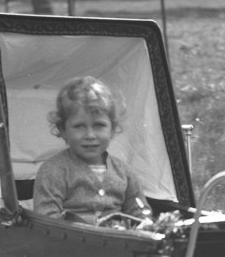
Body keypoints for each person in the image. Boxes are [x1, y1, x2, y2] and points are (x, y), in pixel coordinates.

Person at [33, 76, 148, 224]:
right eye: (79, 126)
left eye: (99, 125)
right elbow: (47, 219)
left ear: (112, 129)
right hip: (71, 242)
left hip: (119, 242)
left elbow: (139, 211)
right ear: (63, 130)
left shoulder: (125, 172)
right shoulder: (53, 170)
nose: (90, 135)